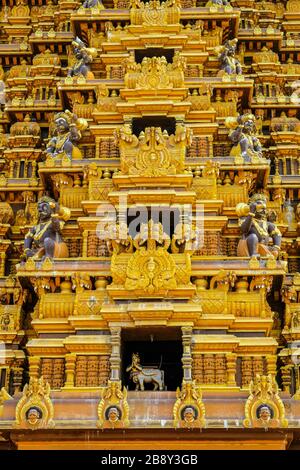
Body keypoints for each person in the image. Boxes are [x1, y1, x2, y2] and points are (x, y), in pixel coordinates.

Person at [23, 196, 70, 260]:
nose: (40, 210)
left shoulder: (53, 222)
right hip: (41, 250)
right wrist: (27, 249)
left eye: (44, 207)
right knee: (26, 257)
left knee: (47, 240)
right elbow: (28, 237)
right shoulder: (36, 227)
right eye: (39, 208)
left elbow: (57, 228)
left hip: (55, 249)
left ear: (51, 208)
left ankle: (48, 257)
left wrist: (55, 212)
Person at [236, 194, 281, 259]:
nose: (263, 210)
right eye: (260, 208)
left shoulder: (267, 224)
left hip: (264, 247)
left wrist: (276, 247)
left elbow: (277, 233)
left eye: (264, 208)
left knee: (274, 253)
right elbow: (244, 230)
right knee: (253, 236)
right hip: (250, 246)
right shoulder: (247, 219)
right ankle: (253, 254)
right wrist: (251, 213)